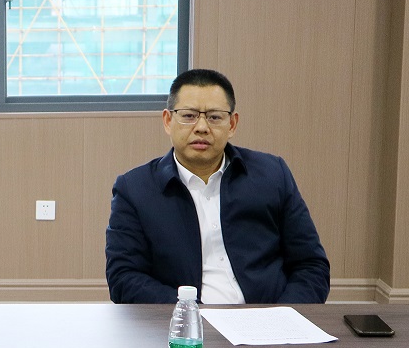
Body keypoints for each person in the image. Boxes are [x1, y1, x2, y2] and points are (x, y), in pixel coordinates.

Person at [105, 69, 330, 304]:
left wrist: (282, 315)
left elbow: (311, 265)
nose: (202, 127)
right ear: (168, 121)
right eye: (189, 116)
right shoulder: (134, 189)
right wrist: (190, 314)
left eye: (214, 117)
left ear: (232, 124)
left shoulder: (272, 174)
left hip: (268, 318)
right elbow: (124, 278)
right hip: (182, 321)